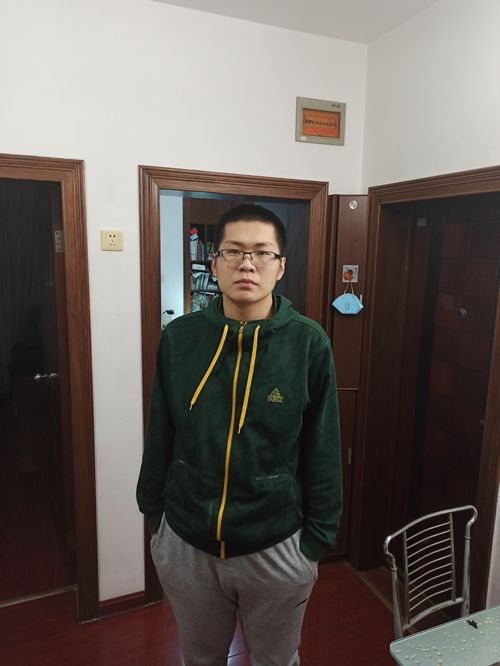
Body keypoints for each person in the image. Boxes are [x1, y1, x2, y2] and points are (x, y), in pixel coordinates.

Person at [137, 203, 342, 666]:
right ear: (214, 262)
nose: (247, 264)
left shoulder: (308, 344)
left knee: (276, 660)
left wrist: (314, 544)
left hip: (276, 545)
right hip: (186, 542)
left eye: (262, 253)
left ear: (280, 266)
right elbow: (160, 431)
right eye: (233, 251)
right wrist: (155, 518)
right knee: (200, 658)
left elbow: (323, 450)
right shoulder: (180, 338)